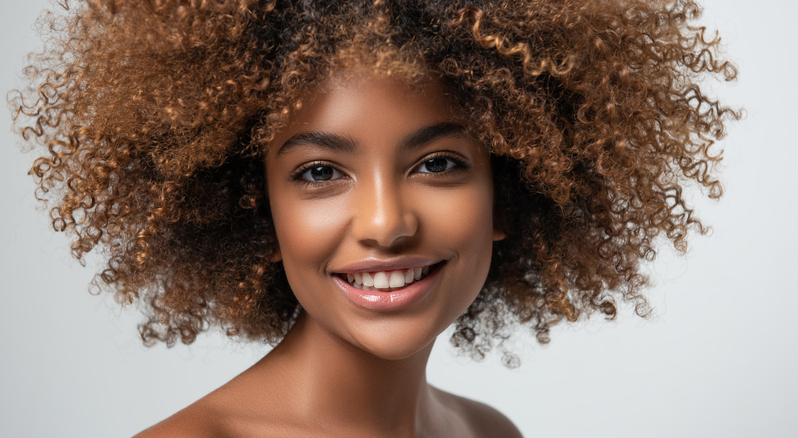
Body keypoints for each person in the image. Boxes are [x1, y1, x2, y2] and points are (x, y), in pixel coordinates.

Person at [10, 0, 737, 436]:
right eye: (320, 173)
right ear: (257, 213)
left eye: (439, 164)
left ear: (507, 197)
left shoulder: (488, 433)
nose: (386, 223)